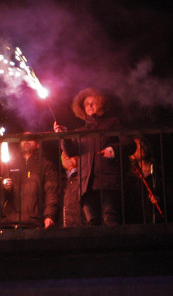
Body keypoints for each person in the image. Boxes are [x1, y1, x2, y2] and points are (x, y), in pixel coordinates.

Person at [53, 88, 136, 226]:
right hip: (87, 185)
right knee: (92, 223)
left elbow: (130, 144)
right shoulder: (80, 132)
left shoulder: (113, 123)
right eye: (87, 104)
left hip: (108, 181)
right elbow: (71, 152)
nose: (90, 105)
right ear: (82, 108)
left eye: (93, 102)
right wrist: (64, 136)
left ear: (101, 104)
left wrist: (113, 149)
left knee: (111, 219)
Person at [0, 135, 59, 229]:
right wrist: (5, 187)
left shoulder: (45, 165)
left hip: (33, 223)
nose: (26, 141)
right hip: (9, 223)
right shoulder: (10, 165)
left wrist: (49, 215)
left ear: (37, 145)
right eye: (23, 139)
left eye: (30, 138)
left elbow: (51, 191)